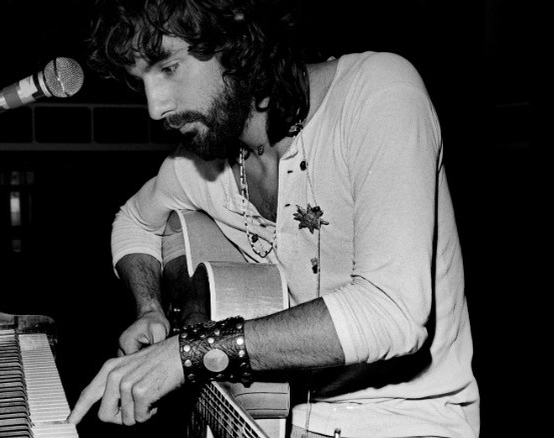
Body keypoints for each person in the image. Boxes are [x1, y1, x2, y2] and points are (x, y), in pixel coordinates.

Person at [67, 0, 480, 436]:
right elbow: (134, 221)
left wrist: (188, 354)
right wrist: (150, 308)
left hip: (405, 421)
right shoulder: (199, 166)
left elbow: (392, 312)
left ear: (237, 38)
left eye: (168, 67)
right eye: (140, 81)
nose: (155, 108)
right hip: (267, 418)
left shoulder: (378, 93)